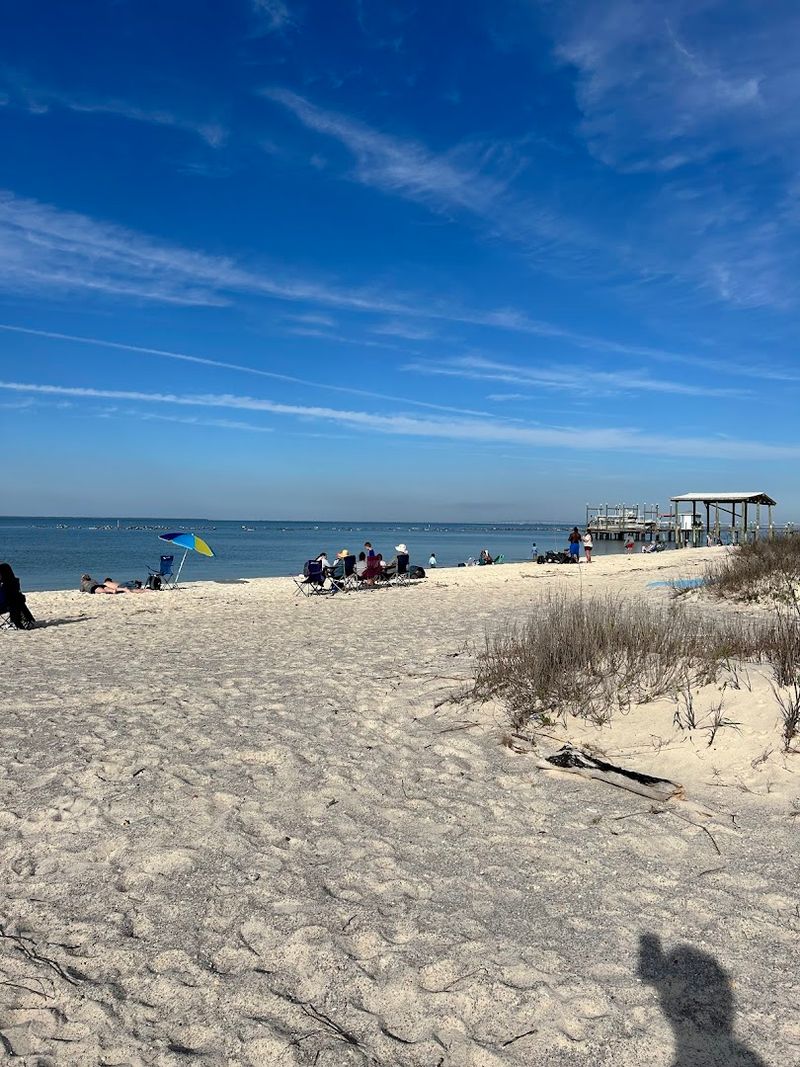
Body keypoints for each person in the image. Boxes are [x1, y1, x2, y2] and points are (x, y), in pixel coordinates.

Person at [0, 562, 36, 629]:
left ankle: (18, 621)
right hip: (11, 604)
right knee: (16, 601)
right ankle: (25, 620)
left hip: (5, 605)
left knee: (14, 602)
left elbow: (2, 599)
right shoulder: (14, 583)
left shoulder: (5, 586)